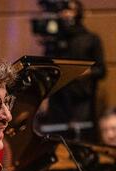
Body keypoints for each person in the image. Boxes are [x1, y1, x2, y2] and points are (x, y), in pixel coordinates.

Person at [42, 0, 106, 140]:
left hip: (81, 100)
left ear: (78, 13)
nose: (65, 14)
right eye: (63, 10)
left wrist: (81, 72)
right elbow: (47, 68)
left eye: (69, 10)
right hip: (58, 99)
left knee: (81, 139)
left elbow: (101, 70)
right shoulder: (54, 40)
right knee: (57, 139)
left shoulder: (91, 39)